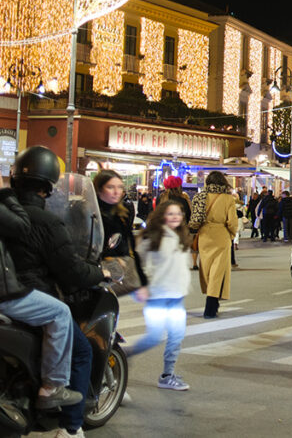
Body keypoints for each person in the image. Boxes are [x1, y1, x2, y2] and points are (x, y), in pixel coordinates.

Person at [8, 147, 107, 438]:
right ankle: (71, 426)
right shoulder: (47, 222)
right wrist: (98, 272)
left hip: (9, 291)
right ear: (49, 186)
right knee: (81, 351)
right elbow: (71, 271)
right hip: (26, 293)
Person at [0, 185, 82, 410]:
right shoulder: (44, 219)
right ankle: (52, 388)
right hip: (4, 293)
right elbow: (21, 225)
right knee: (60, 312)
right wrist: (6, 193)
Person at [128, 199, 191, 391]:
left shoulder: (181, 237)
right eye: (170, 213)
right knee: (154, 337)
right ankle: (123, 355)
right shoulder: (152, 237)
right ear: (162, 215)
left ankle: (167, 375)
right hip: (157, 295)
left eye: (178, 214)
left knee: (176, 335)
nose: (175, 217)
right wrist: (139, 287)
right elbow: (137, 264)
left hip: (177, 295)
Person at [188, 172, 238, 319]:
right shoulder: (228, 198)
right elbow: (232, 222)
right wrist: (231, 235)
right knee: (218, 272)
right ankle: (210, 307)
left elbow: (194, 217)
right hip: (221, 234)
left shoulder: (200, 196)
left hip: (204, 235)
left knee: (207, 270)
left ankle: (214, 304)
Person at [93, 170, 149, 300]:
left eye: (119, 187)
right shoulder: (91, 214)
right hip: (93, 274)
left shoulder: (121, 214)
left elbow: (132, 247)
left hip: (114, 276)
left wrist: (142, 281)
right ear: (99, 189)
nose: (116, 192)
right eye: (110, 187)